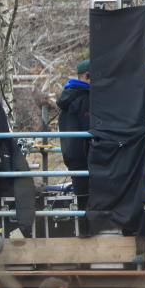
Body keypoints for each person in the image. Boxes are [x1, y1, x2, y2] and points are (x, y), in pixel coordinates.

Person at [58, 59, 91, 205]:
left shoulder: (69, 95)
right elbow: (91, 128)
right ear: (87, 76)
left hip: (72, 156)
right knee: (89, 201)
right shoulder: (84, 98)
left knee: (82, 199)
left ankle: (84, 227)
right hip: (85, 158)